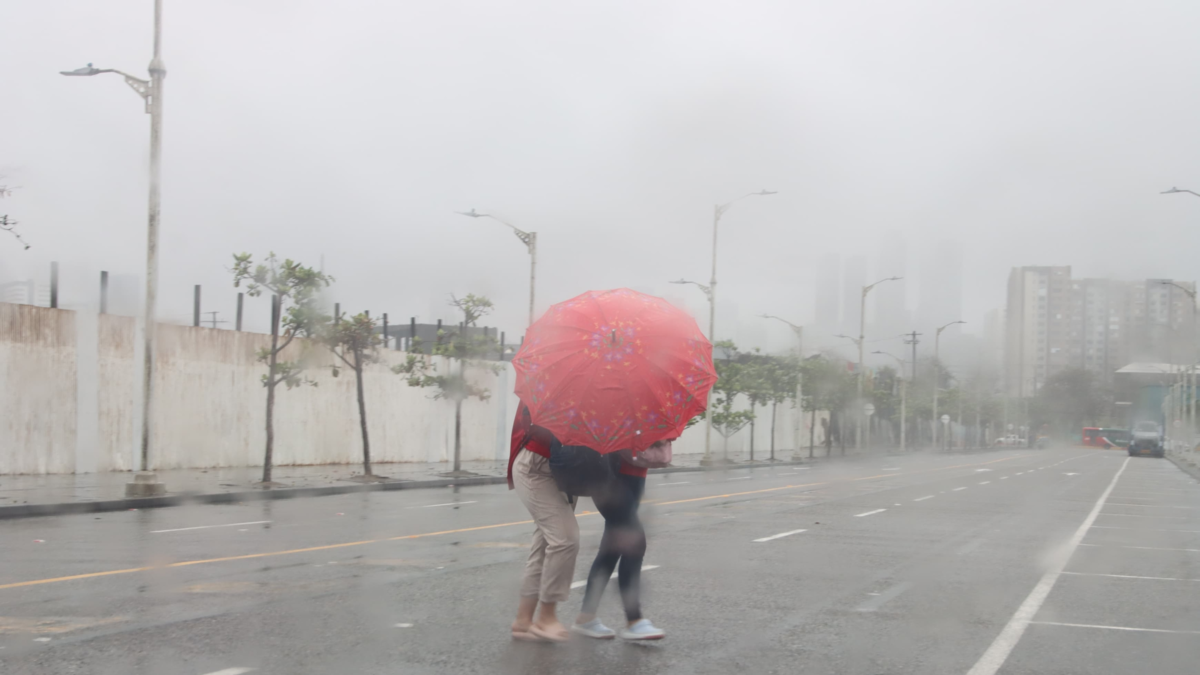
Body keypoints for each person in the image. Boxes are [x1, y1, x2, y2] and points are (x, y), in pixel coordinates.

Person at [571, 440, 670, 641]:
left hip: (636, 474)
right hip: (609, 479)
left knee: (612, 549)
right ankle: (634, 620)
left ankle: (585, 618)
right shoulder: (617, 409)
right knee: (634, 542)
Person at [507, 405, 579, 642]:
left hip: (566, 469)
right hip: (536, 466)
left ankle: (523, 620)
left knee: (546, 543)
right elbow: (540, 423)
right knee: (565, 539)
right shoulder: (557, 379)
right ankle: (546, 616)